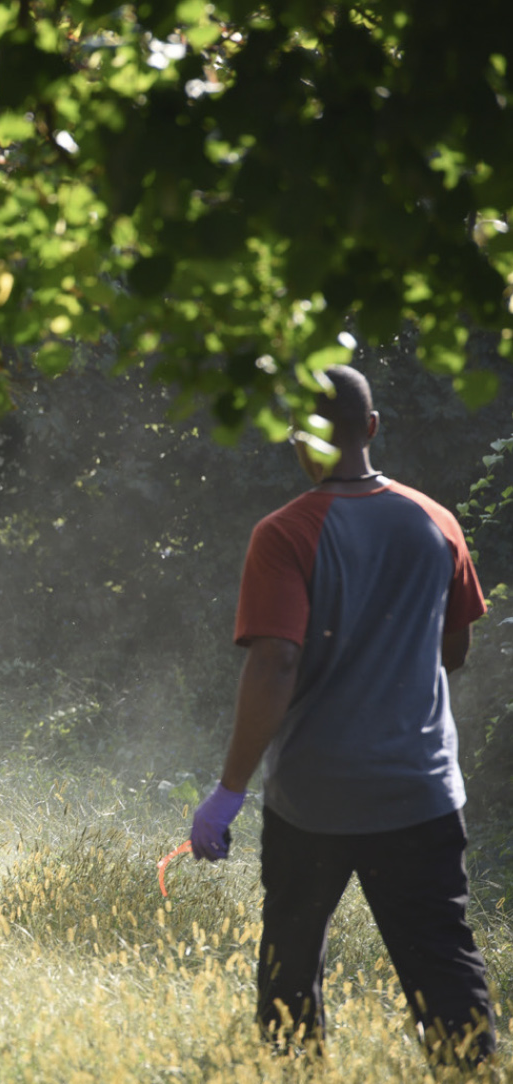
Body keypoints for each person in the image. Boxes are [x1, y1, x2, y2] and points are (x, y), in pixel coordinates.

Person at [189, 365, 495, 1066]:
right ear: (373, 427)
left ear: (301, 442)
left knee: (289, 970)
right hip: (418, 792)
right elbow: (454, 649)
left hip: (311, 799)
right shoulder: (435, 521)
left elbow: (274, 664)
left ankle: (294, 1075)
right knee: (443, 966)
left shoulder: (284, 533)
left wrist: (227, 793)